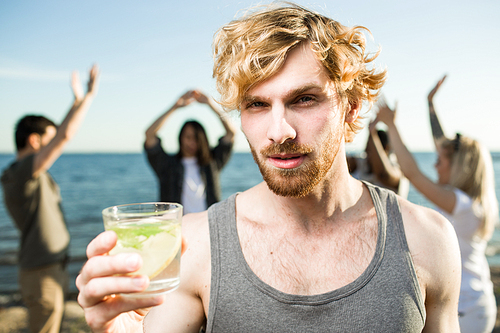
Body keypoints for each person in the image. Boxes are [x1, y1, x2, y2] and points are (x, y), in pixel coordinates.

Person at [76, 4, 462, 332]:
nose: (279, 132)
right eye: (257, 105)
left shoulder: (427, 240)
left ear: (351, 107)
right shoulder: (194, 247)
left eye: (305, 99)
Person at [376, 75, 498, 333]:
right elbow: (443, 145)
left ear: (459, 167)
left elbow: (412, 173)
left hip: (467, 310)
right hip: (474, 303)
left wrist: (391, 125)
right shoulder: (468, 200)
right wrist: (429, 103)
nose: (435, 164)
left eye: (440, 161)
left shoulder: (460, 204)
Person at [1, 64, 99, 333]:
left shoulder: (24, 172)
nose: (54, 144)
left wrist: (76, 102)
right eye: (48, 139)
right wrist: (90, 95)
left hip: (46, 267)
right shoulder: (21, 172)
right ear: (34, 141)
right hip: (41, 271)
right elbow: (64, 135)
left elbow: (59, 132)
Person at [144, 89, 236, 214]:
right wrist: (175, 106)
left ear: (203, 140)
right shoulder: (167, 165)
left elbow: (231, 133)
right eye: (188, 137)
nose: (192, 142)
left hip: (207, 227)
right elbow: (149, 134)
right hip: (176, 228)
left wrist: (210, 104)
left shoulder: (212, 162)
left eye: (196, 138)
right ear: (180, 138)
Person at [347, 116, 409, 198]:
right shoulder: (363, 162)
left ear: (386, 148)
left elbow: (383, 174)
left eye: (371, 149)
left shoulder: (397, 168)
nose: (367, 153)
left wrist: (373, 133)